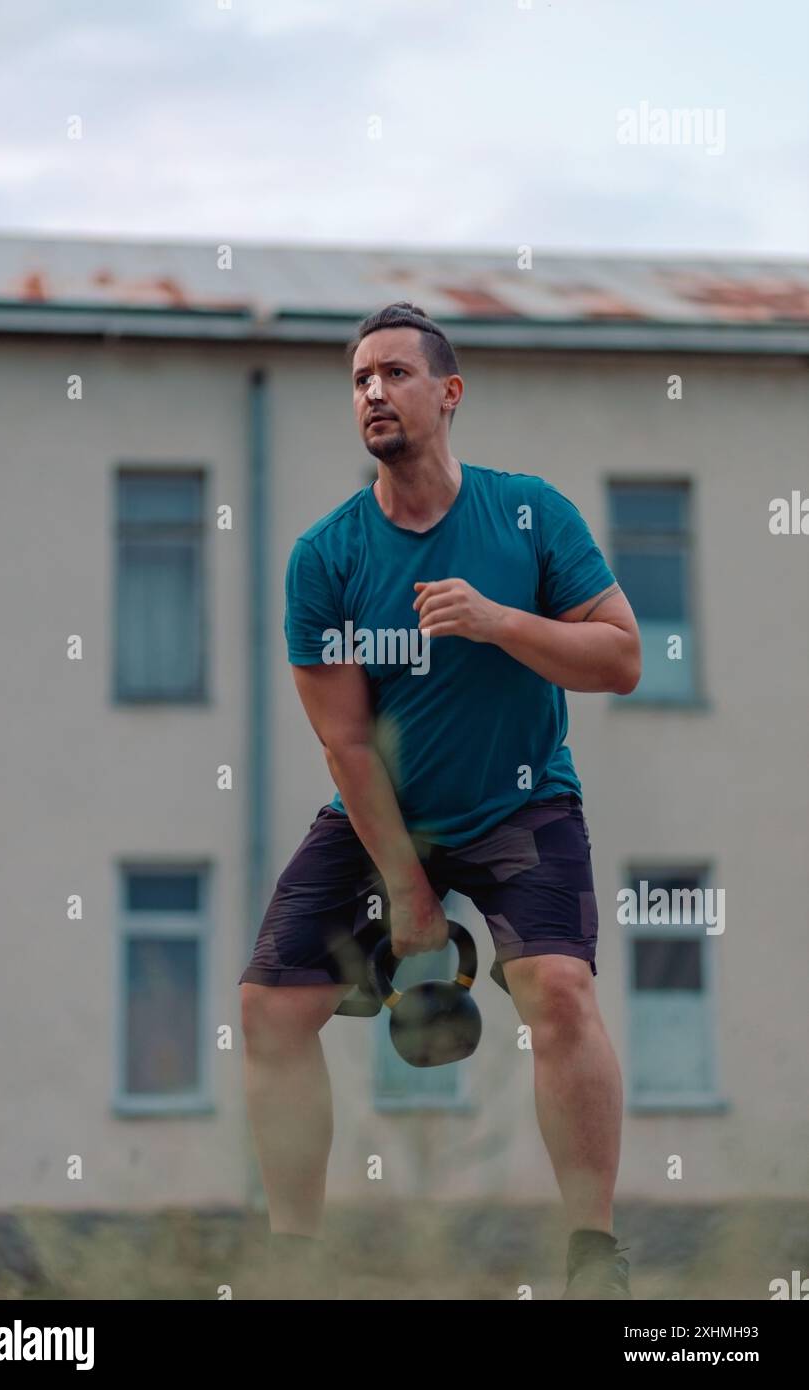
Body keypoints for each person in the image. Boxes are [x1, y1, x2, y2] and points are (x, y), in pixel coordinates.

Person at [239, 301, 641, 1300]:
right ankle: (294, 1256)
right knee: (266, 1010)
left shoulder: (527, 514)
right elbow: (341, 739)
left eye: (395, 373)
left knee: (560, 993)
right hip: (381, 810)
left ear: (447, 393)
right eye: (359, 379)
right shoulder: (325, 558)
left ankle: (592, 1256)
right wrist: (404, 892)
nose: (373, 391)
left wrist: (499, 620)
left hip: (520, 806)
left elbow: (621, 656)